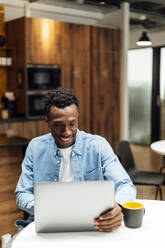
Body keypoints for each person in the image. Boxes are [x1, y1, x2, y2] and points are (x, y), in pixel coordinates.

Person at [15, 87, 136, 232]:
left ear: (77, 117)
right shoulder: (35, 148)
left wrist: (118, 205)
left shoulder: (98, 145)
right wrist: (45, 208)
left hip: (94, 223)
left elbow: (126, 185)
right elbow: (22, 193)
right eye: (59, 125)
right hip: (47, 222)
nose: (66, 132)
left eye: (72, 123)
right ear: (47, 121)